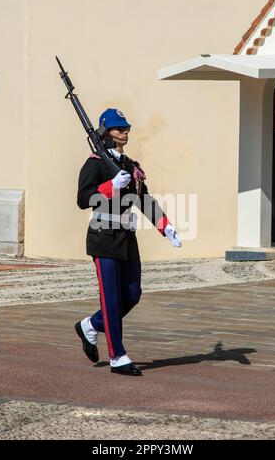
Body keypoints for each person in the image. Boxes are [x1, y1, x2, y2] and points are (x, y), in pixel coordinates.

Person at [75, 108, 182, 376]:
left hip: (126, 237)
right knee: (111, 298)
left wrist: (164, 226)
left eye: (126, 128)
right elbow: (83, 198)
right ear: (106, 132)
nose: (125, 132)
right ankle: (117, 355)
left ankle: (90, 325)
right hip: (103, 238)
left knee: (132, 294)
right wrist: (109, 186)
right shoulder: (96, 163)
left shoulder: (129, 165)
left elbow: (143, 199)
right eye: (118, 128)